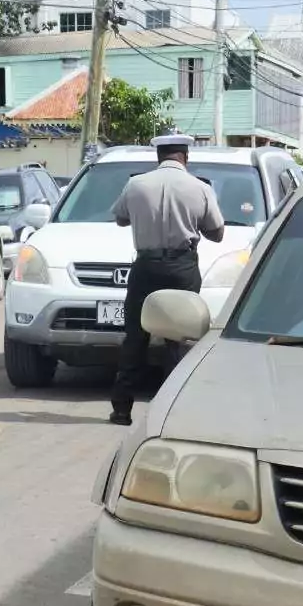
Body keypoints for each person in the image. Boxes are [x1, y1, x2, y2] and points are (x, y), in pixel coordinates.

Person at [109, 134, 225, 426]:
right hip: (181, 267)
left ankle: (122, 409)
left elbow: (121, 218)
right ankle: (171, 412)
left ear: (158, 156)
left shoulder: (136, 185)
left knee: (135, 336)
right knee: (178, 338)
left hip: (145, 266)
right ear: (185, 157)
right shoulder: (200, 187)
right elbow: (218, 232)